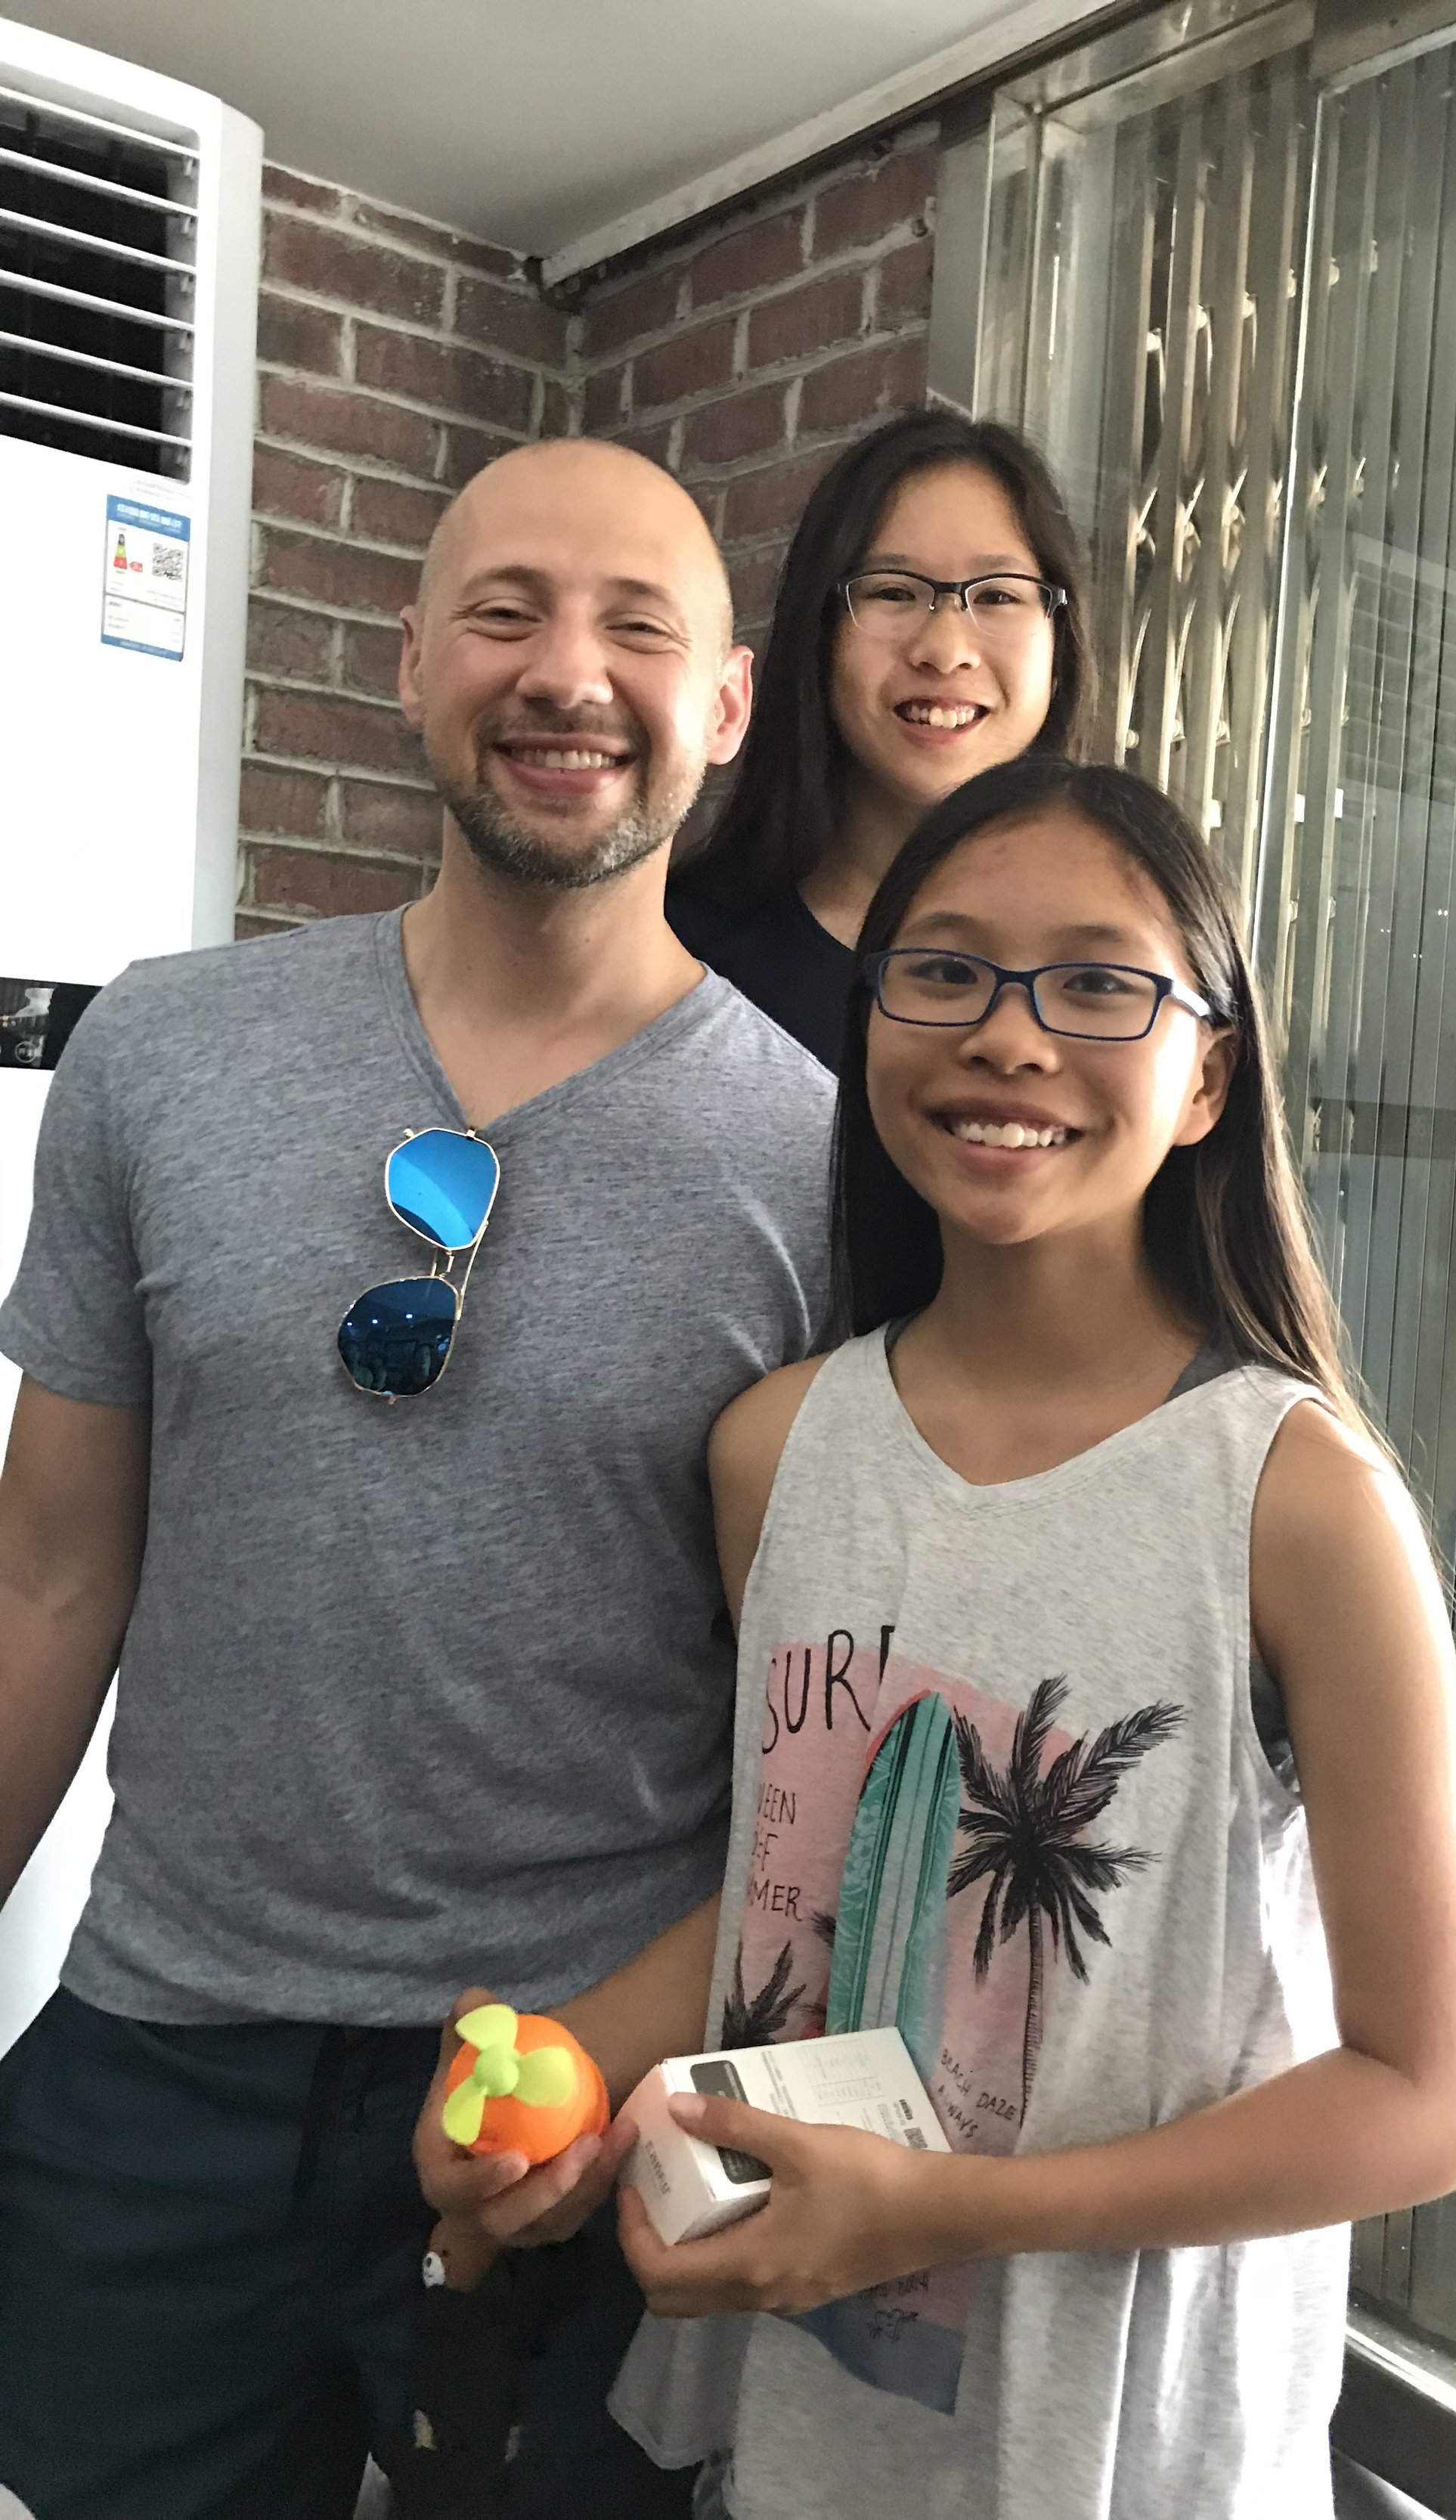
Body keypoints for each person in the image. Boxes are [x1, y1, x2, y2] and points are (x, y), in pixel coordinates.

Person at [0, 438, 833, 2520]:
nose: (568, 671)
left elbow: (820, 1725)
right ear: (407, 660)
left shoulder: (829, 1168)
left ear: (725, 710)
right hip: (161, 2055)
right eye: (505, 610)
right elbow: (42, 1578)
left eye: (640, 626)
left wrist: (644, 2055)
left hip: (586, 2090)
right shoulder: (163, 1058)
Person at [595, 757, 1456, 2518]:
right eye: (943, 971)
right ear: (871, 1027)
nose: (1009, 1036)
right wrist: (562, 2070)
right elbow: (809, 1873)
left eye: (1098, 983)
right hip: (804, 2425)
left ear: (1210, 1071)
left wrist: (952, 2215)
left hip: (1131, 2459)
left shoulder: (1302, 1502)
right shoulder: (773, 1448)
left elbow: (1423, 2096)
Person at [668, 410, 1095, 1069]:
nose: (945, 649)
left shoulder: (1124, 969)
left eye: (999, 596)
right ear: (820, 635)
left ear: (1059, 644)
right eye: (894, 592)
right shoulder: (674, 958)